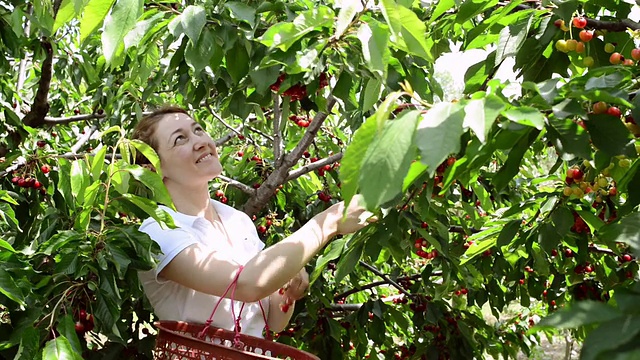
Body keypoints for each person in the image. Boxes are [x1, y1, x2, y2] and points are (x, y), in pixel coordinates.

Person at [132, 106, 374, 339]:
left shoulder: (236, 220)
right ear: (152, 169)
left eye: (198, 130)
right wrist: (328, 222)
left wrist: (287, 286)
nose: (201, 141)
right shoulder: (158, 231)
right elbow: (246, 285)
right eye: (179, 139)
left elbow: (274, 321)